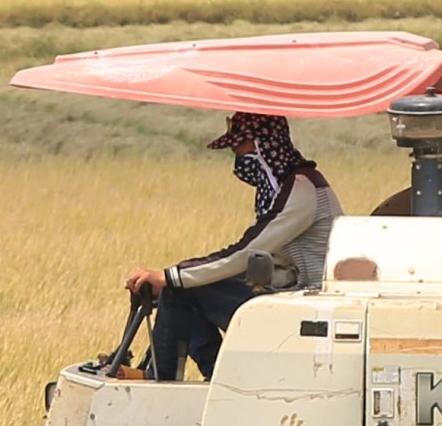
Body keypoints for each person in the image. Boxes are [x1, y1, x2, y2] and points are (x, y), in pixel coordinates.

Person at [127, 111, 341, 383]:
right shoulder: (290, 183)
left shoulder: (300, 189)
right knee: (184, 288)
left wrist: (170, 276)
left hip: (306, 307)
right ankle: (216, 377)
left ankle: (168, 382)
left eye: (240, 145)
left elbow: (246, 252)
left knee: (178, 290)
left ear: (264, 142)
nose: (236, 153)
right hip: (292, 298)